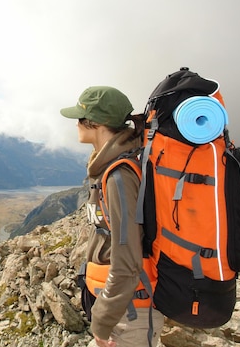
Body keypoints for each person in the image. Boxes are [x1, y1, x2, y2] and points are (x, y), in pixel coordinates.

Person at [60, 86, 164, 347]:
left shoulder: (119, 177)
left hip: (129, 317)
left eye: (80, 118)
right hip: (125, 309)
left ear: (96, 123)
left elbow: (127, 259)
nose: (75, 125)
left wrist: (104, 322)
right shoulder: (110, 169)